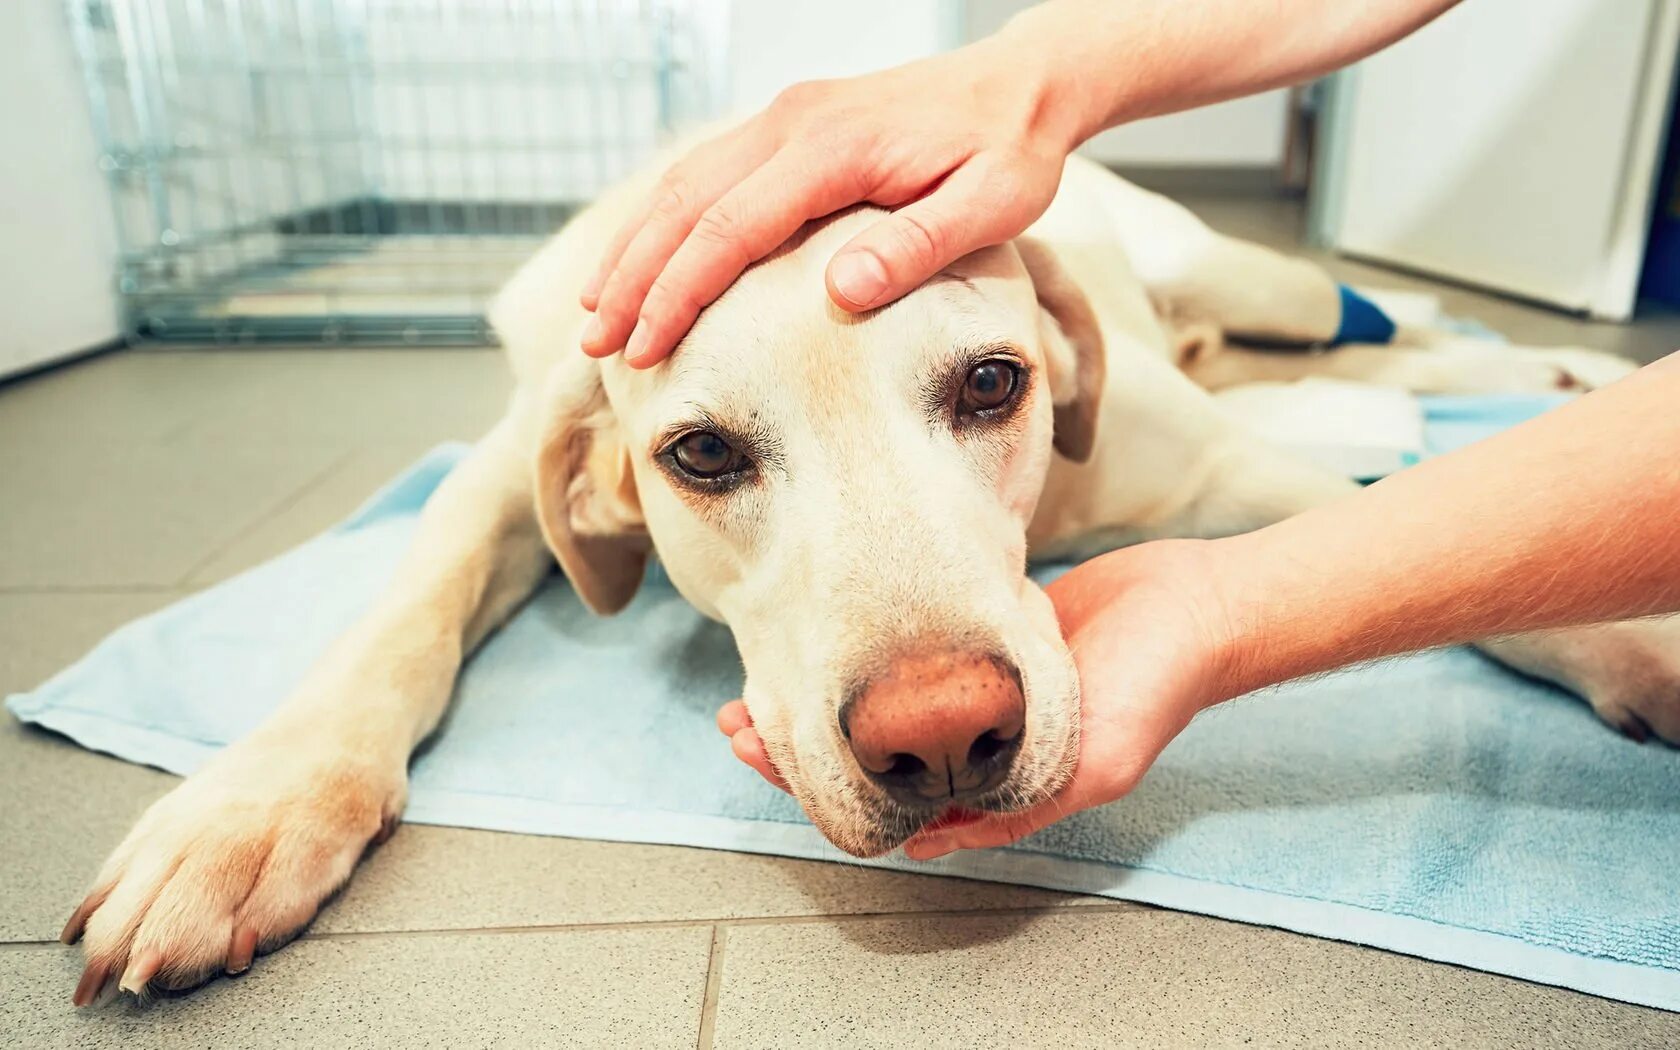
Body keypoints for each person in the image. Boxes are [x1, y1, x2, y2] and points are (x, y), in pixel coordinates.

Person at [583, 0, 1680, 858]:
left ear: (1068, 362)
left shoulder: (1066, 323)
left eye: (982, 390)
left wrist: (1576, 626)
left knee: (1273, 299)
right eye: (713, 455)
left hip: (1126, 264)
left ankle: (1414, 345)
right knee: (1238, 343)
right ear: (606, 483)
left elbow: (1243, 474)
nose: (935, 716)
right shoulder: (591, 361)